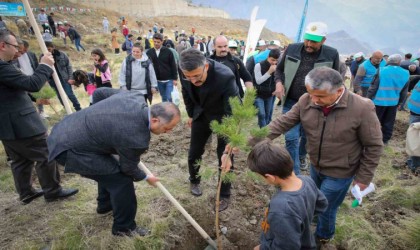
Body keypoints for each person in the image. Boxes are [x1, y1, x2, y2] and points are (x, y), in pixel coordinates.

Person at [251, 67, 383, 247]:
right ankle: (309, 223)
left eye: (319, 96)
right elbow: (283, 122)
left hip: (341, 172)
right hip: (316, 165)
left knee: (327, 208)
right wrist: (250, 141)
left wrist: (364, 178)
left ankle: (323, 236)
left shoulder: (361, 107)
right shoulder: (307, 100)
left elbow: (373, 145)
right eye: (310, 94)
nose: (313, 100)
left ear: (338, 90)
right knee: (313, 200)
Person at [47, 88, 181, 236]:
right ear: (155, 120)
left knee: (107, 168)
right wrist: (146, 177)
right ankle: (124, 228)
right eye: (168, 128)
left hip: (64, 129)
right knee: (121, 181)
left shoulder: (134, 96)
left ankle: (105, 205)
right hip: (70, 149)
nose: (168, 133)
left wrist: (98, 122)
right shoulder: (137, 138)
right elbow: (128, 168)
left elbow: (99, 93)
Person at [0, 30, 78, 204]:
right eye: (14, 47)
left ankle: (26, 192)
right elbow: (32, 84)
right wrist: (45, 65)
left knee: (20, 160)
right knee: (46, 152)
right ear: (2, 45)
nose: (17, 51)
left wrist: (34, 99)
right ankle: (53, 190)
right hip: (22, 123)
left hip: (7, 126)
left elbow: (9, 91)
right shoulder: (1, 66)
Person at [231, 140, 328, 250]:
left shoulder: (281, 208)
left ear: (270, 177)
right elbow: (322, 204)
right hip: (306, 240)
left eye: (260, 177)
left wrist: (263, 248)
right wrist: (302, 217)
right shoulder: (307, 181)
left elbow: (286, 247)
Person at [273, 21, 340, 175]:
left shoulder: (331, 54)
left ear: (323, 40)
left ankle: (302, 156)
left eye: (314, 41)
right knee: (290, 137)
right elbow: (279, 70)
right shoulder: (292, 48)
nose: (309, 44)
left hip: (316, 103)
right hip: (291, 101)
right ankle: (294, 173)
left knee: (307, 135)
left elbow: (336, 79)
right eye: (307, 39)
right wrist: (278, 83)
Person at [179, 49, 239, 211]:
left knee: (225, 155)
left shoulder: (225, 76)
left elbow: (232, 109)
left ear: (206, 66)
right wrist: (191, 114)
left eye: (197, 76)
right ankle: (194, 180)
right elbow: (186, 92)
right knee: (194, 152)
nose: (192, 80)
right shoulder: (185, 70)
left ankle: (224, 193)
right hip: (201, 115)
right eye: (188, 76)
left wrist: (232, 137)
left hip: (223, 118)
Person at [367, 54, 409, 145]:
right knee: (389, 122)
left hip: (378, 102)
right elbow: (404, 92)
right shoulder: (406, 73)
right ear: (399, 62)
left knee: (375, 121)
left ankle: (372, 139)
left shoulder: (381, 70)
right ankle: (385, 140)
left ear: (388, 61)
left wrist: (367, 99)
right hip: (393, 102)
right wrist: (400, 102)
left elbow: (373, 87)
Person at [44, 41, 81, 111]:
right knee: (60, 96)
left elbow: (69, 67)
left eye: (49, 49)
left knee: (69, 94)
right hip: (52, 80)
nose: (48, 51)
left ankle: (78, 109)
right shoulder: (43, 57)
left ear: (53, 48)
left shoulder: (62, 55)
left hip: (64, 78)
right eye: (46, 49)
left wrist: (70, 78)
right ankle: (67, 109)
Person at [146, 32, 178, 102]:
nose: (156, 43)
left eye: (158, 42)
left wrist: (175, 79)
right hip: (158, 80)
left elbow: (173, 65)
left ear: (162, 42)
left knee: (169, 97)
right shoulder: (149, 52)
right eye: (154, 41)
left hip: (169, 79)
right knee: (163, 97)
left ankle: (171, 111)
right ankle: (165, 112)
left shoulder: (168, 51)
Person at [254, 49, 281, 128]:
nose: (274, 62)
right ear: (268, 57)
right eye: (272, 60)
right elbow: (258, 81)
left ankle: (266, 131)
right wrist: (269, 72)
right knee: (261, 114)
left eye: (276, 60)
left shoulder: (278, 66)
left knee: (268, 114)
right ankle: (263, 133)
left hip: (270, 94)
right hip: (259, 94)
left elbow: (278, 79)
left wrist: (276, 88)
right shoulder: (259, 65)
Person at [407, 80, 420, 174]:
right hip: (417, 113)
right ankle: (414, 165)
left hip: (414, 110)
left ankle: (411, 162)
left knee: (413, 138)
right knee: (416, 140)